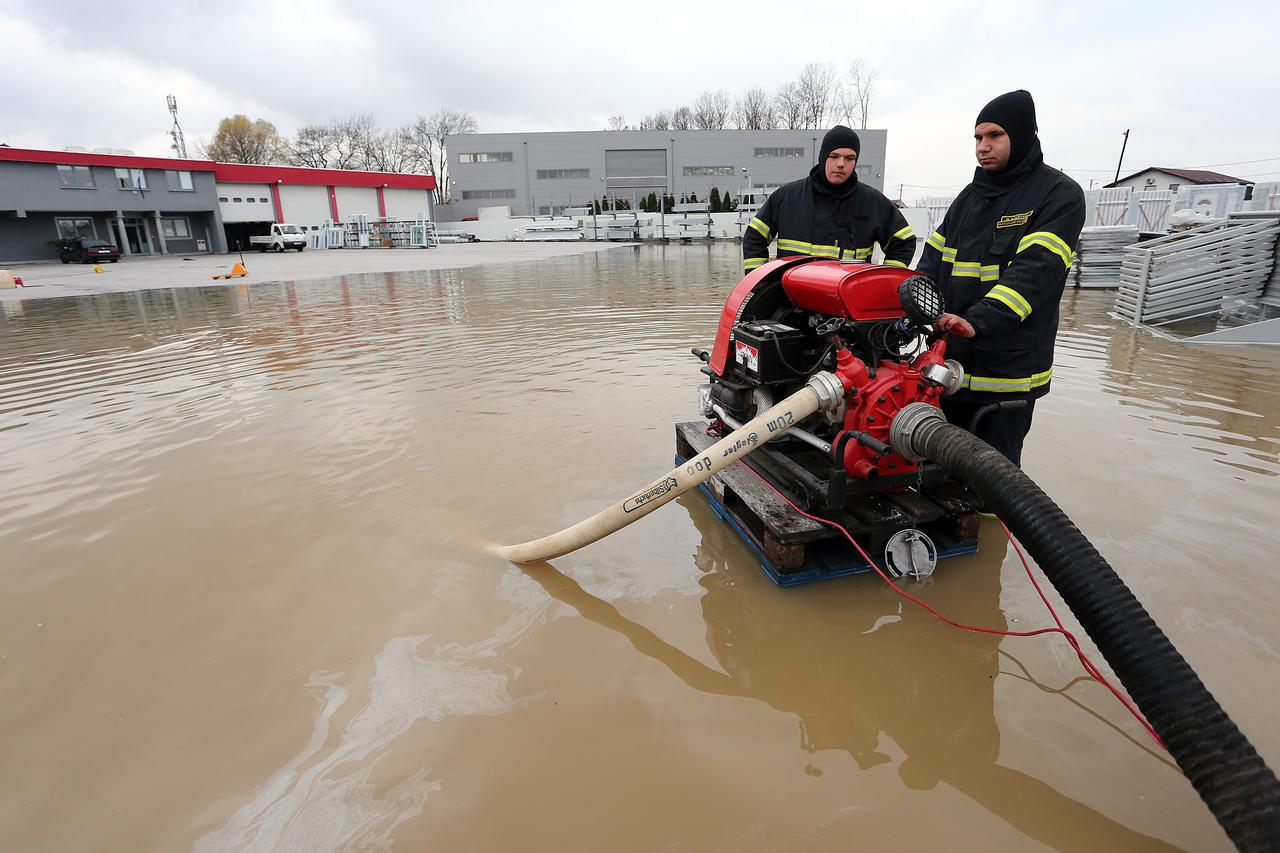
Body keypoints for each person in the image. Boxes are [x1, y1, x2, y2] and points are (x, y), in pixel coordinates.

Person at [918, 90, 1085, 467]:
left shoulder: (1058, 196)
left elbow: (1035, 273)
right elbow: (930, 263)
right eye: (978, 138)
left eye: (994, 135)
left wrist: (977, 321)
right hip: (949, 367)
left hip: (1006, 378)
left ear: (1022, 135)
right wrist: (913, 303)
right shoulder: (969, 197)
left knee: (997, 479)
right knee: (935, 471)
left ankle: (993, 527)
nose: (983, 146)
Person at [742, 125, 916, 273]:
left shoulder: (873, 202)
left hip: (847, 302)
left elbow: (904, 242)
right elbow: (754, 237)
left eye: (849, 158)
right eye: (834, 156)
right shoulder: (787, 197)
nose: (841, 164)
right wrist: (760, 284)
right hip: (790, 303)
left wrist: (885, 282)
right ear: (823, 156)